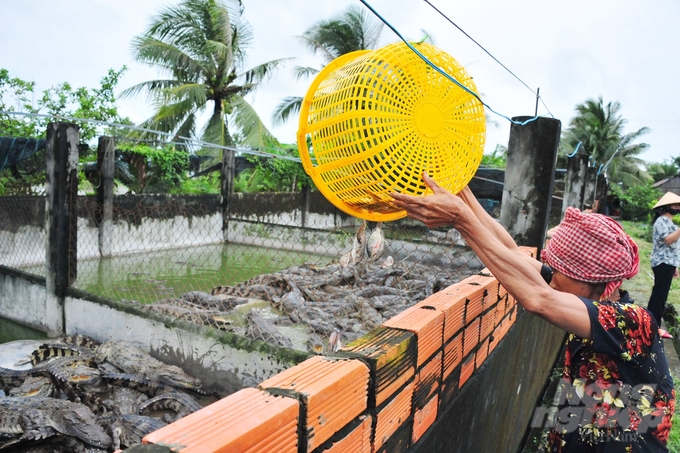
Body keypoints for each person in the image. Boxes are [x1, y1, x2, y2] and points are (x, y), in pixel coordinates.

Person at [391, 172, 675, 452]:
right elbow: (511, 251)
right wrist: (459, 185)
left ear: (592, 279)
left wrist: (460, 220)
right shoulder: (579, 289)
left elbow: (539, 300)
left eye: (558, 272)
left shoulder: (632, 321)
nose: (550, 279)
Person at [647, 191, 680, 339]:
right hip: (662, 262)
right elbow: (667, 240)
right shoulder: (661, 221)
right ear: (666, 207)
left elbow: (672, 247)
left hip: (668, 262)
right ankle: (655, 328)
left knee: (659, 294)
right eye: (675, 205)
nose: (677, 207)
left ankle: (650, 324)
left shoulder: (669, 222)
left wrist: (675, 266)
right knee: (660, 296)